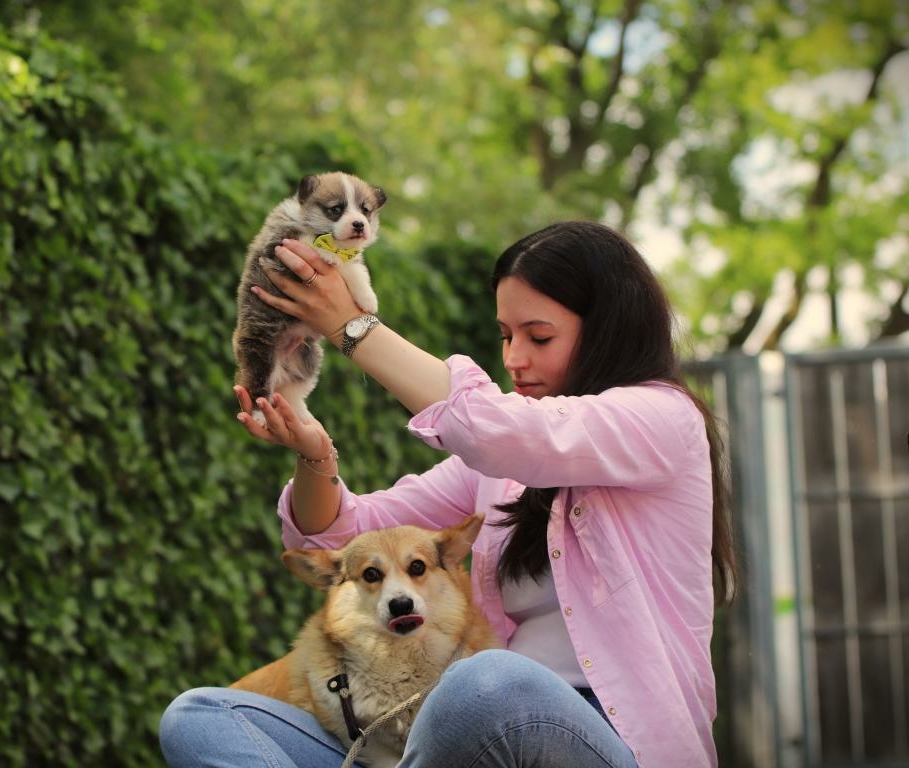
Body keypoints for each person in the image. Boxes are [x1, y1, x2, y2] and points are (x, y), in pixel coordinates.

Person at [160, 220, 737, 767]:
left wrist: (351, 324)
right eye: (506, 335)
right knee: (204, 716)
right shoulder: (497, 471)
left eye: (539, 336)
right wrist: (315, 457)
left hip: (600, 742)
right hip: (463, 738)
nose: (514, 358)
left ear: (606, 330)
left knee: (486, 682)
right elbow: (346, 537)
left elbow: (499, 430)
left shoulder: (664, 419)